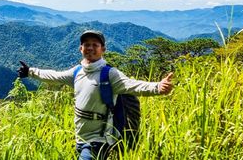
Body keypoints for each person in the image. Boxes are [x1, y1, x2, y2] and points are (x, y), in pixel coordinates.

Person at [18, 29, 174, 160]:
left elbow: (132, 85)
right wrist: (31, 71)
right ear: (81, 48)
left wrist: (158, 87)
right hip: (80, 135)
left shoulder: (110, 74)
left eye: (95, 45)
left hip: (99, 138)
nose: (90, 48)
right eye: (87, 45)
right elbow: (55, 76)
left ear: (103, 49)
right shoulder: (77, 71)